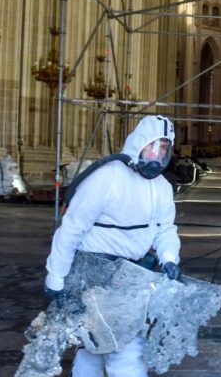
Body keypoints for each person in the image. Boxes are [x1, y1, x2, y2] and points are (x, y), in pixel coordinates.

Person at [44, 115, 181, 377]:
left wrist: (169, 257)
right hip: (95, 274)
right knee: (124, 351)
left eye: (164, 149)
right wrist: (56, 276)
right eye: (154, 146)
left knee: (94, 346)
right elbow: (71, 229)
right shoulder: (107, 177)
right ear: (140, 143)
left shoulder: (162, 187)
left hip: (132, 277)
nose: (157, 154)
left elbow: (165, 229)